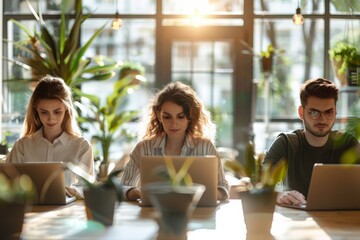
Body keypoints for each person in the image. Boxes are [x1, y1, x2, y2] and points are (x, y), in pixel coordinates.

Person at [120, 81, 229, 201]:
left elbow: (223, 188)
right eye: (167, 117)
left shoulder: (206, 146)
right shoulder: (143, 148)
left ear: (190, 117)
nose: (174, 123)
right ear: (158, 115)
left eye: (180, 116)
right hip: (152, 214)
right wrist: (135, 192)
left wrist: (203, 195)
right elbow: (123, 187)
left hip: (198, 213)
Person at [263, 78, 360, 206]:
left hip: (340, 218)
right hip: (297, 221)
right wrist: (278, 194)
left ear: (335, 111)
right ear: (301, 112)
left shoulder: (348, 143)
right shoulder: (286, 143)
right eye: (314, 112)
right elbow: (259, 184)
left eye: (329, 112)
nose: (323, 120)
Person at [6, 75, 94, 198]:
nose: (51, 118)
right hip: (30, 212)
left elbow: (88, 189)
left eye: (57, 112)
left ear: (66, 109)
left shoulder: (82, 146)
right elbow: (7, 186)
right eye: (44, 112)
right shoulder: (22, 146)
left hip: (67, 212)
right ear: (36, 110)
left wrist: (73, 192)